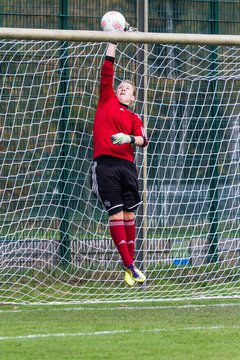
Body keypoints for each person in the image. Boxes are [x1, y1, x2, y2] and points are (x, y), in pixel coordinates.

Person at [91, 42, 148, 286]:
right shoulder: (107, 101)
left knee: (129, 214)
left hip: (127, 166)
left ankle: (130, 265)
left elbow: (144, 140)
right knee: (115, 213)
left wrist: (130, 138)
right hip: (105, 165)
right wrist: (112, 43)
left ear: (133, 97)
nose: (123, 88)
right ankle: (130, 265)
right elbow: (107, 71)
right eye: (121, 87)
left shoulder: (134, 117)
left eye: (128, 88)